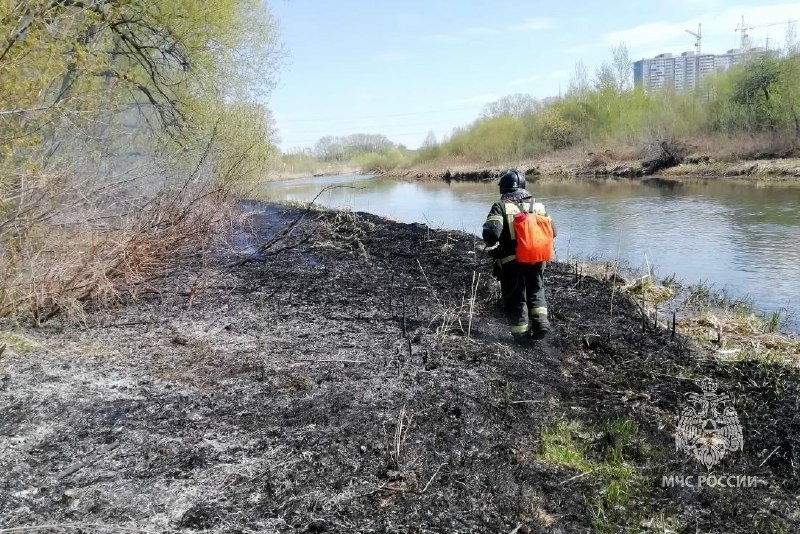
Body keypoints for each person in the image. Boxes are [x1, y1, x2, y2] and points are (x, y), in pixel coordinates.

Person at [482, 169, 556, 343]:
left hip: (511, 262)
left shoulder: (500, 206)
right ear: (523, 186)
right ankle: (541, 323)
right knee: (536, 290)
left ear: (504, 188)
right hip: (537, 259)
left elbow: (491, 236)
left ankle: (521, 335)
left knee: (515, 297)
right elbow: (553, 232)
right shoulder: (538, 205)